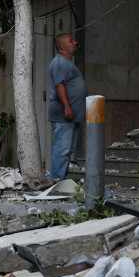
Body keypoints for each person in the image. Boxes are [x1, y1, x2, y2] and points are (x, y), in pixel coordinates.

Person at [47, 32, 85, 182]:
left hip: (72, 115)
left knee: (67, 150)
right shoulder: (59, 63)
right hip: (64, 114)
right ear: (63, 46)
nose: (75, 43)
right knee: (62, 150)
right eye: (71, 41)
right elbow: (59, 85)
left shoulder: (66, 62)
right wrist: (68, 107)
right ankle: (55, 182)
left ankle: (61, 181)